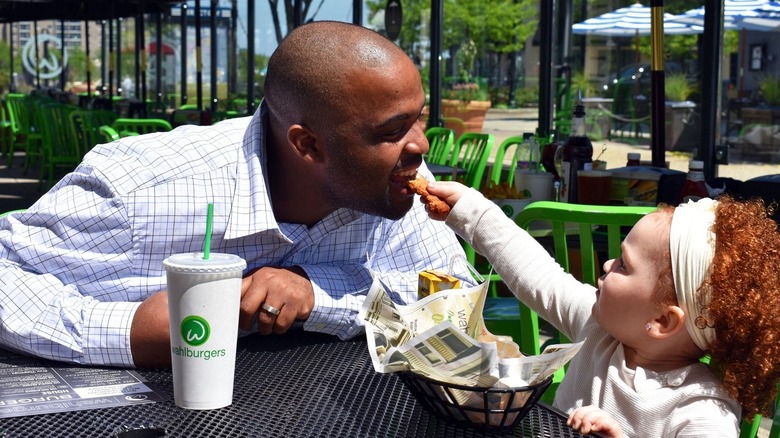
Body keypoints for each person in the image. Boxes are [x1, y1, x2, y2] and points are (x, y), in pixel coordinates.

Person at [0, 21, 472, 369]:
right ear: (306, 144)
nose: (420, 144)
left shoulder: (394, 178)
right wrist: (127, 332)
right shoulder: (139, 189)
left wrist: (318, 290)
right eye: (392, 130)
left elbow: (454, 300)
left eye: (418, 119)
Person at [422, 181, 780, 437]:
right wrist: (473, 210)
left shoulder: (701, 409)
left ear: (661, 320)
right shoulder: (600, 331)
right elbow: (538, 275)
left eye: (624, 265)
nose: (607, 264)